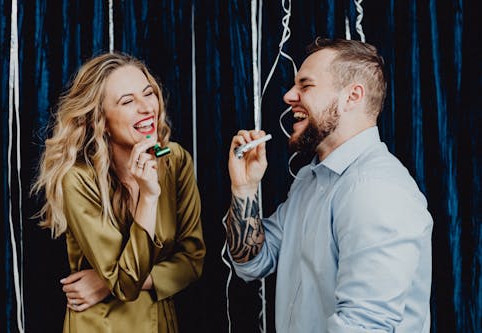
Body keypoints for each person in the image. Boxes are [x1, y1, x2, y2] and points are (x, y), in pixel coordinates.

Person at [225, 37, 433, 332]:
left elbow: (363, 327)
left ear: (352, 96)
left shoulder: (375, 190)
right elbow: (253, 263)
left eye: (305, 85)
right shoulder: (311, 180)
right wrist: (244, 189)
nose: (288, 96)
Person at [31, 52, 205, 332]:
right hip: (101, 325)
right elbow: (125, 284)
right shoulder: (77, 179)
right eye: (127, 101)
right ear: (100, 119)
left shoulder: (176, 160)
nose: (146, 107)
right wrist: (148, 198)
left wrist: (105, 282)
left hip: (161, 323)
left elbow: (192, 260)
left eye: (149, 94)